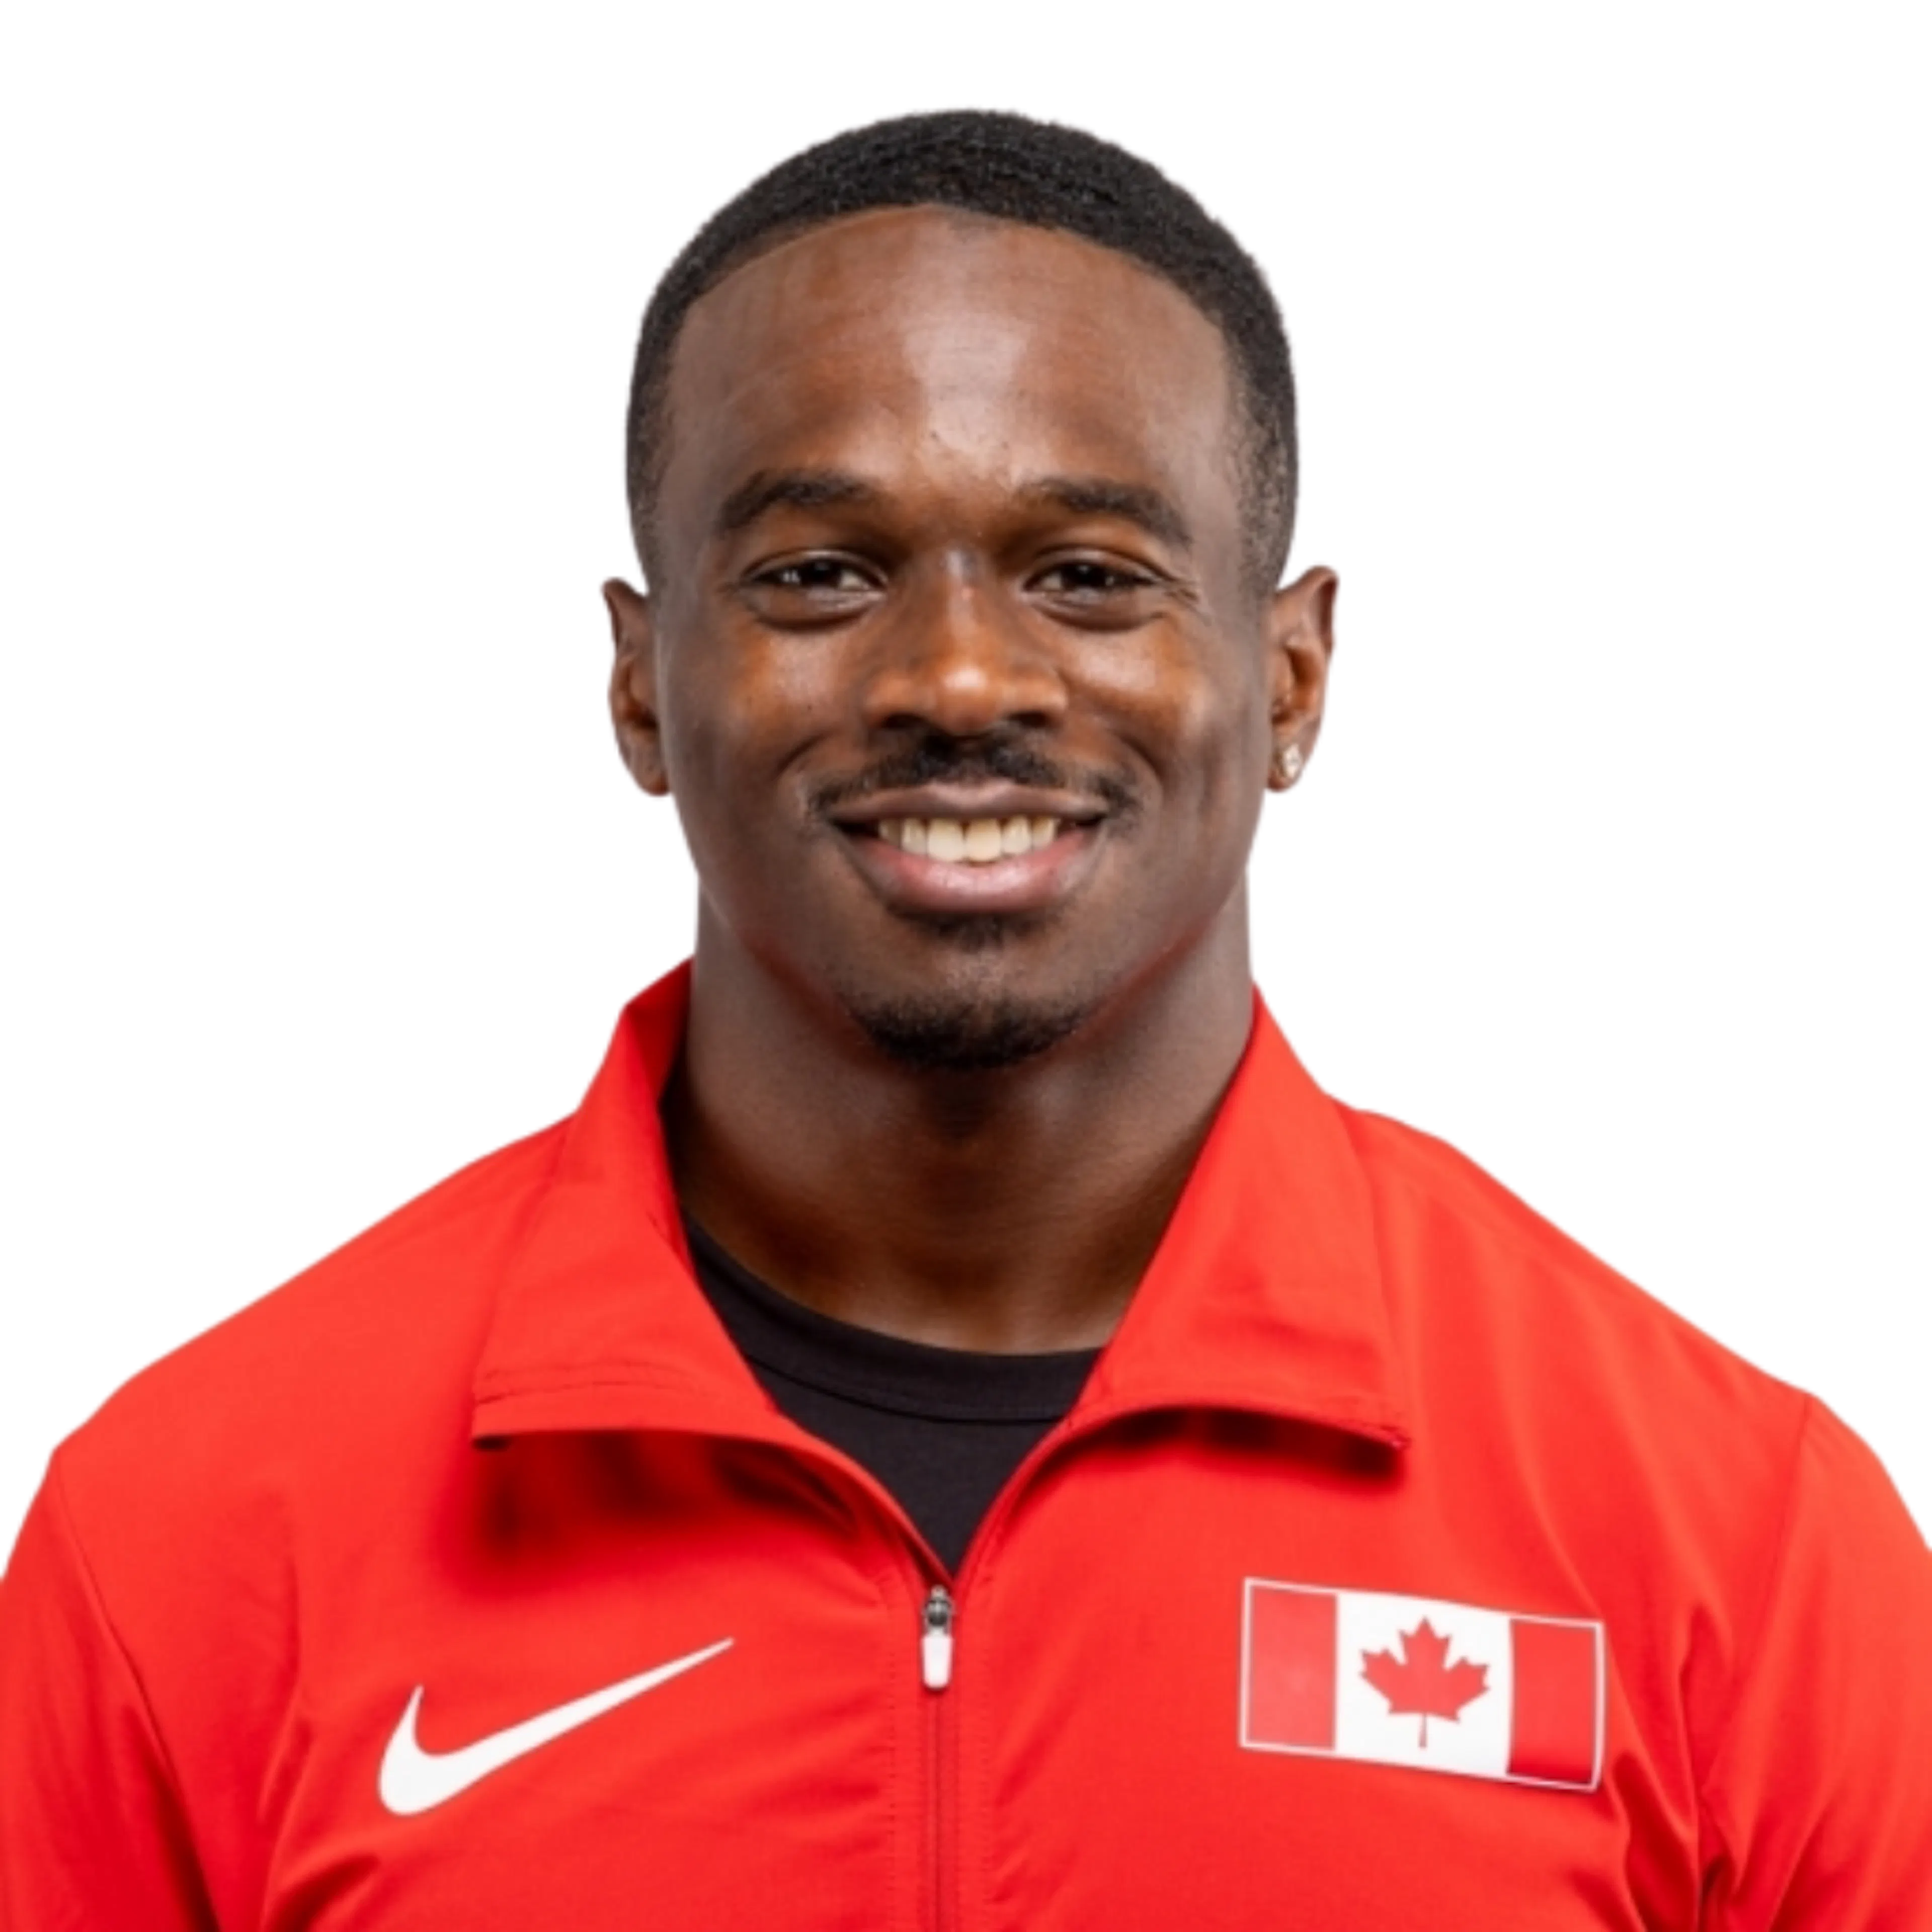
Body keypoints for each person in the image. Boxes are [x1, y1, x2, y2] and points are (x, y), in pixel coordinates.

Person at [3, 103, 1926, 1930]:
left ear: (1292, 676)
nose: (958, 676)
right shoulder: (191, 1526)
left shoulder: (1744, 1537)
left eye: (1087, 576)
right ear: (639, 685)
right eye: (819, 575)